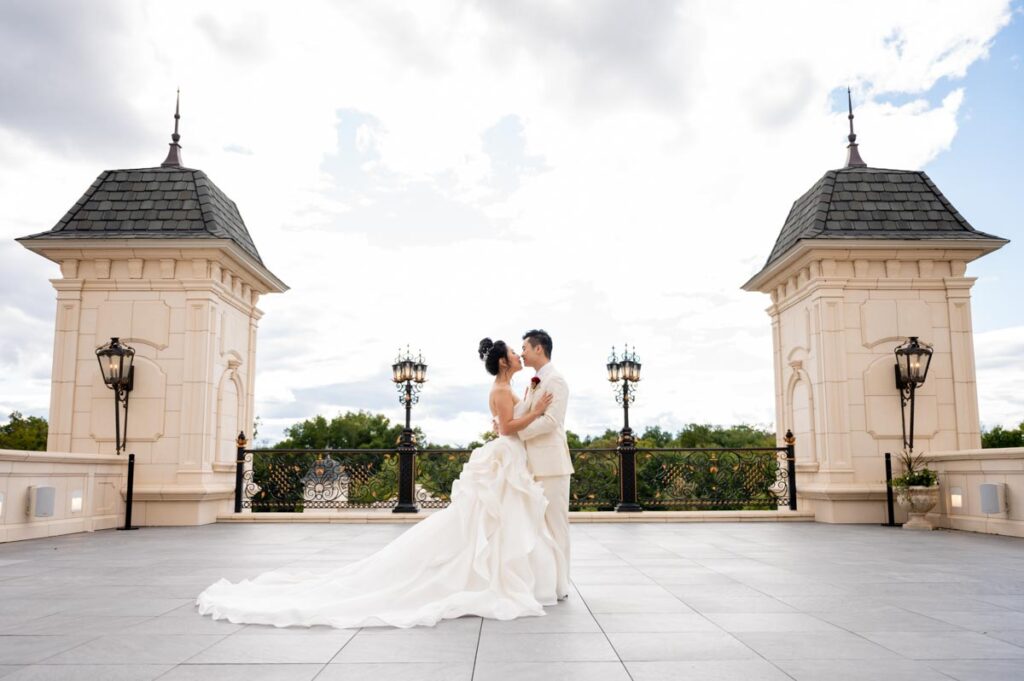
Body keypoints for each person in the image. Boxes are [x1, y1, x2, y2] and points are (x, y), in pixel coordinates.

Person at [196, 338, 562, 629]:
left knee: (498, 521)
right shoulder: (500, 390)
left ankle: (502, 573)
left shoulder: (507, 387)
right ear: (503, 362)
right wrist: (535, 411)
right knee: (490, 520)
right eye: (514, 352)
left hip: (508, 457)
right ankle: (488, 577)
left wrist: (527, 409)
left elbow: (506, 425)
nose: (518, 355)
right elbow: (506, 428)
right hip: (505, 454)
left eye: (520, 350)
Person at [517, 329, 574, 600]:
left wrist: (518, 432)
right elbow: (528, 414)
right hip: (532, 464)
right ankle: (544, 582)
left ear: (538, 348)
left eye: (525, 348)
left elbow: (552, 421)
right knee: (537, 527)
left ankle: (561, 585)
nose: (522, 353)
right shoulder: (533, 382)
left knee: (556, 525)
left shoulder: (556, 381)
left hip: (552, 465)